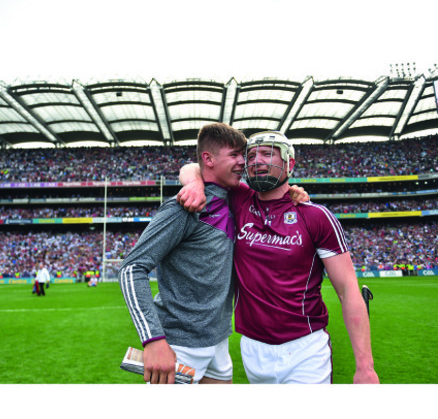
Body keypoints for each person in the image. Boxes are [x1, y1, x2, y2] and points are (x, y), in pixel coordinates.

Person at [178, 130, 379, 384]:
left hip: (305, 349)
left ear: (289, 163)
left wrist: (365, 366)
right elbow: (193, 167)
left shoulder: (316, 216)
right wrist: (195, 184)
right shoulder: (239, 200)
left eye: (267, 153)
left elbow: (348, 290)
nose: (256, 160)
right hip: (251, 348)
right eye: (250, 156)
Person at [118, 123, 308, 385]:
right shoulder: (183, 207)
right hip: (179, 346)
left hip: (218, 342)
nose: (243, 162)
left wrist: (293, 193)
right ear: (208, 159)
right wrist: (153, 340)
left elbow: (192, 168)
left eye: (243, 155)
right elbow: (131, 269)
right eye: (234, 156)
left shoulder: (235, 199)